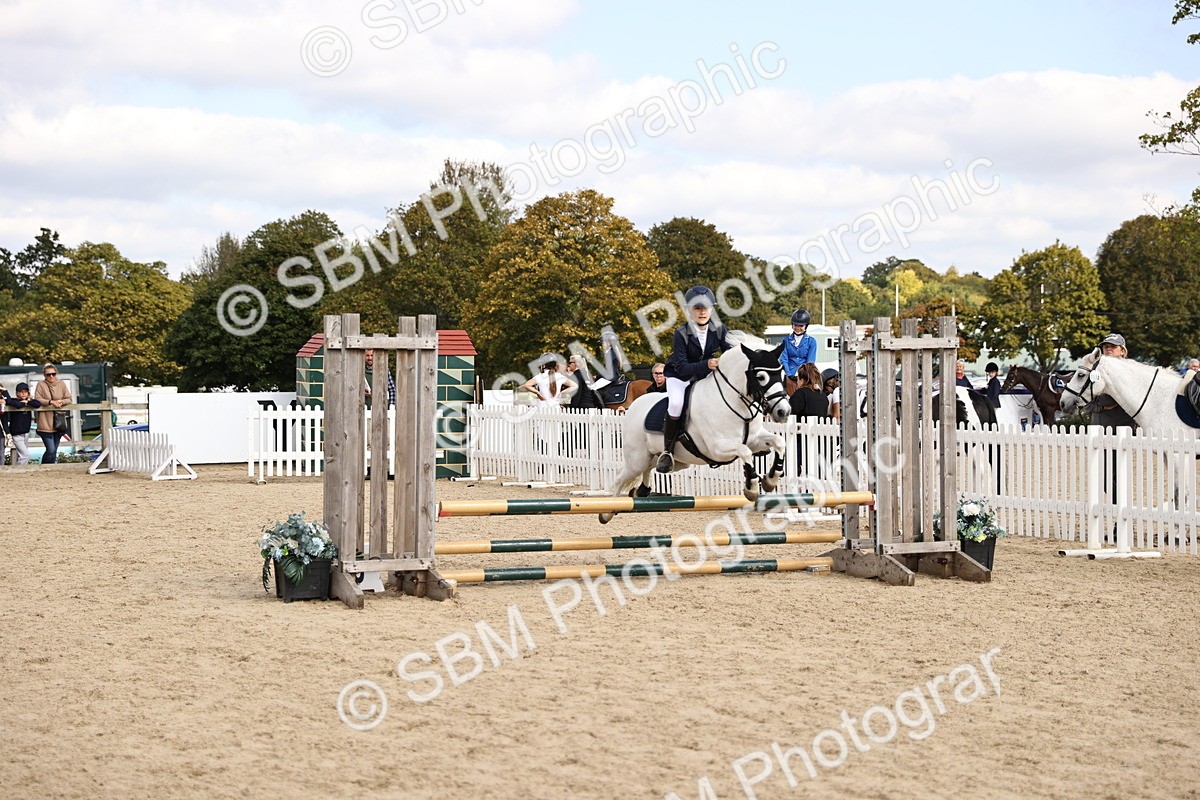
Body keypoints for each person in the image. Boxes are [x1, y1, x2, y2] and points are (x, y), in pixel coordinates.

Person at [658, 285, 729, 472]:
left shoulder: (720, 329)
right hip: (679, 376)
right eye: (697, 308)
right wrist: (707, 364)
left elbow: (730, 352)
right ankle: (667, 452)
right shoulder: (681, 333)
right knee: (675, 404)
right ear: (690, 310)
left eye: (706, 308)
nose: (702, 312)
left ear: (712, 309)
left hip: (703, 376)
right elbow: (682, 367)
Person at [1091, 334, 1135, 430]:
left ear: (1122, 351)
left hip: (1125, 430)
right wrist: (1102, 408)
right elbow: (1083, 401)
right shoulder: (1094, 371)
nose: (1109, 349)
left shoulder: (1132, 371)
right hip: (1098, 431)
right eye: (1106, 346)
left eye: (1114, 346)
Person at [34, 364, 72, 464]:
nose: (51, 376)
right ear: (44, 375)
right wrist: (50, 402)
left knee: (54, 450)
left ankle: (50, 469)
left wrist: (61, 402)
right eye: (48, 374)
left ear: (56, 374)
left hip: (59, 422)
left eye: (53, 374)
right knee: (50, 449)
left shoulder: (62, 384)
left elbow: (69, 398)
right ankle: (44, 467)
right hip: (45, 422)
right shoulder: (40, 384)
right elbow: (38, 399)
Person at [5, 382, 41, 465]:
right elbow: (12, 402)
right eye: (21, 392)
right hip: (16, 434)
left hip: (26, 433)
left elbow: (38, 404)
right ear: (17, 393)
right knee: (25, 455)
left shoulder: (30, 402)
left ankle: (20, 470)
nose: (23, 393)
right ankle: (19, 471)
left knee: (21, 454)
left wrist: (27, 402)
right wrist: (5, 391)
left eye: (25, 392)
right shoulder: (14, 401)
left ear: (28, 393)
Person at [779, 309, 816, 389]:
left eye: (801, 326)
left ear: (806, 326)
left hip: (805, 373)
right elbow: (784, 359)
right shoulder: (786, 340)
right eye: (795, 325)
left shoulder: (811, 341)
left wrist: (803, 375)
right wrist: (789, 375)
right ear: (792, 325)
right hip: (789, 372)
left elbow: (810, 362)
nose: (798, 328)